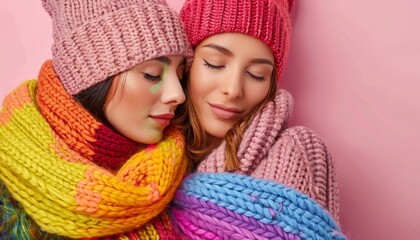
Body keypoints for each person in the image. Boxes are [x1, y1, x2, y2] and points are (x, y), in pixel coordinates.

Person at [0, 0, 192, 238]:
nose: (178, 95)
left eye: (181, 74)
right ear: (91, 78)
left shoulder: (183, 172)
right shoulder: (6, 196)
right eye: (152, 74)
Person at [171, 0, 344, 238]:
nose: (233, 89)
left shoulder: (295, 153)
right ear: (186, 66)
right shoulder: (143, 146)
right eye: (215, 64)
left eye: (256, 75)